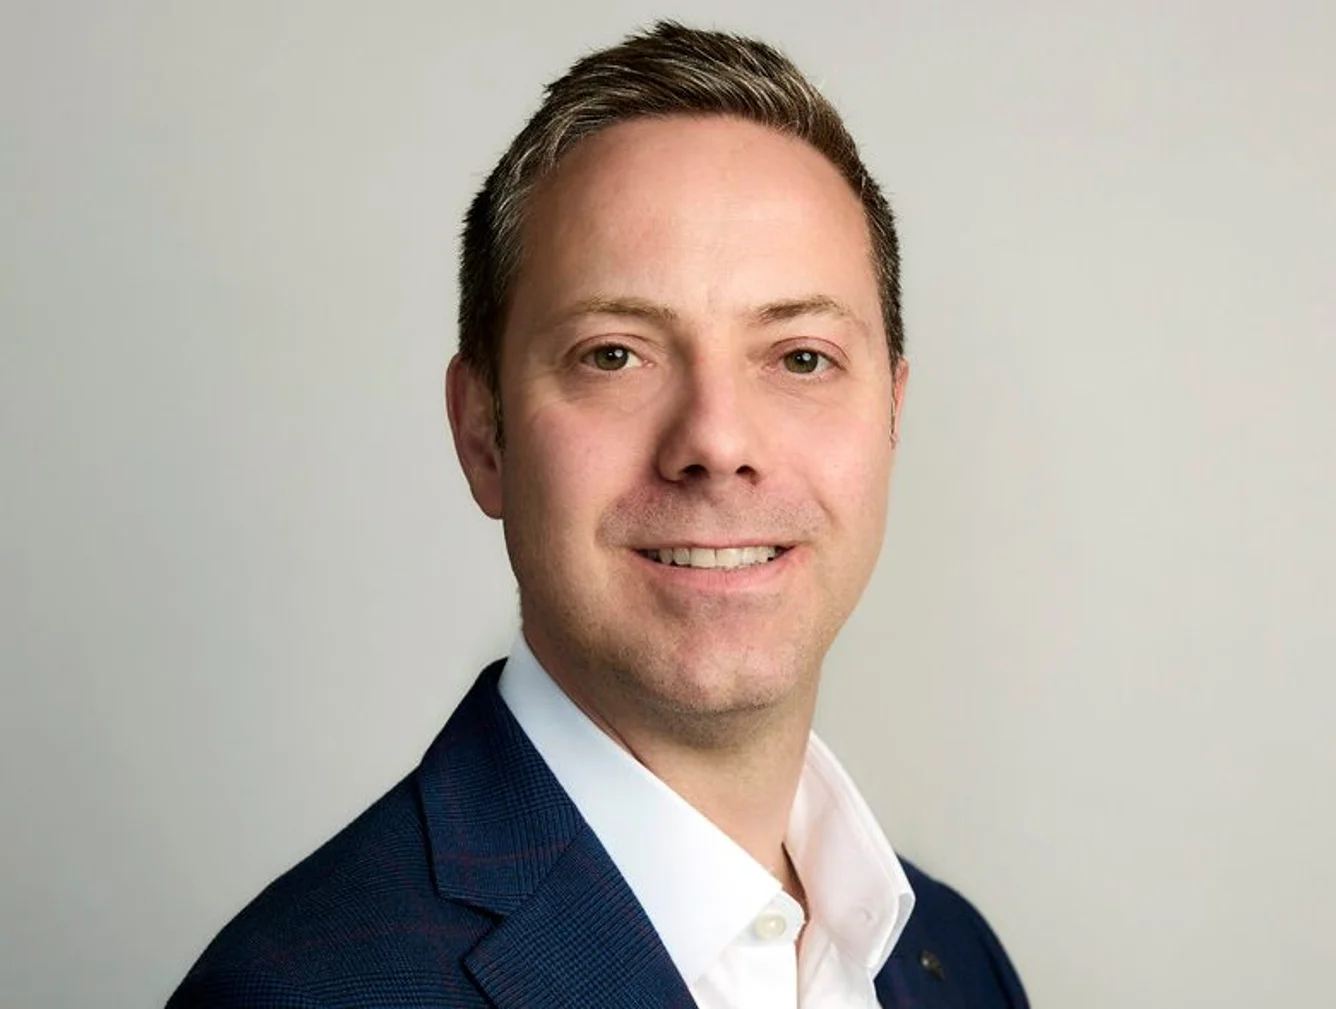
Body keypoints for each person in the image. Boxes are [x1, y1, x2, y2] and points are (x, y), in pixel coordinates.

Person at [168, 21, 1028, 1009]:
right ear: (483, 434)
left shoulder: (953, 959)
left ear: (891, 417)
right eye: (614, 354)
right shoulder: (302, 993)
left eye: (801, 356)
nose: (716, 440)